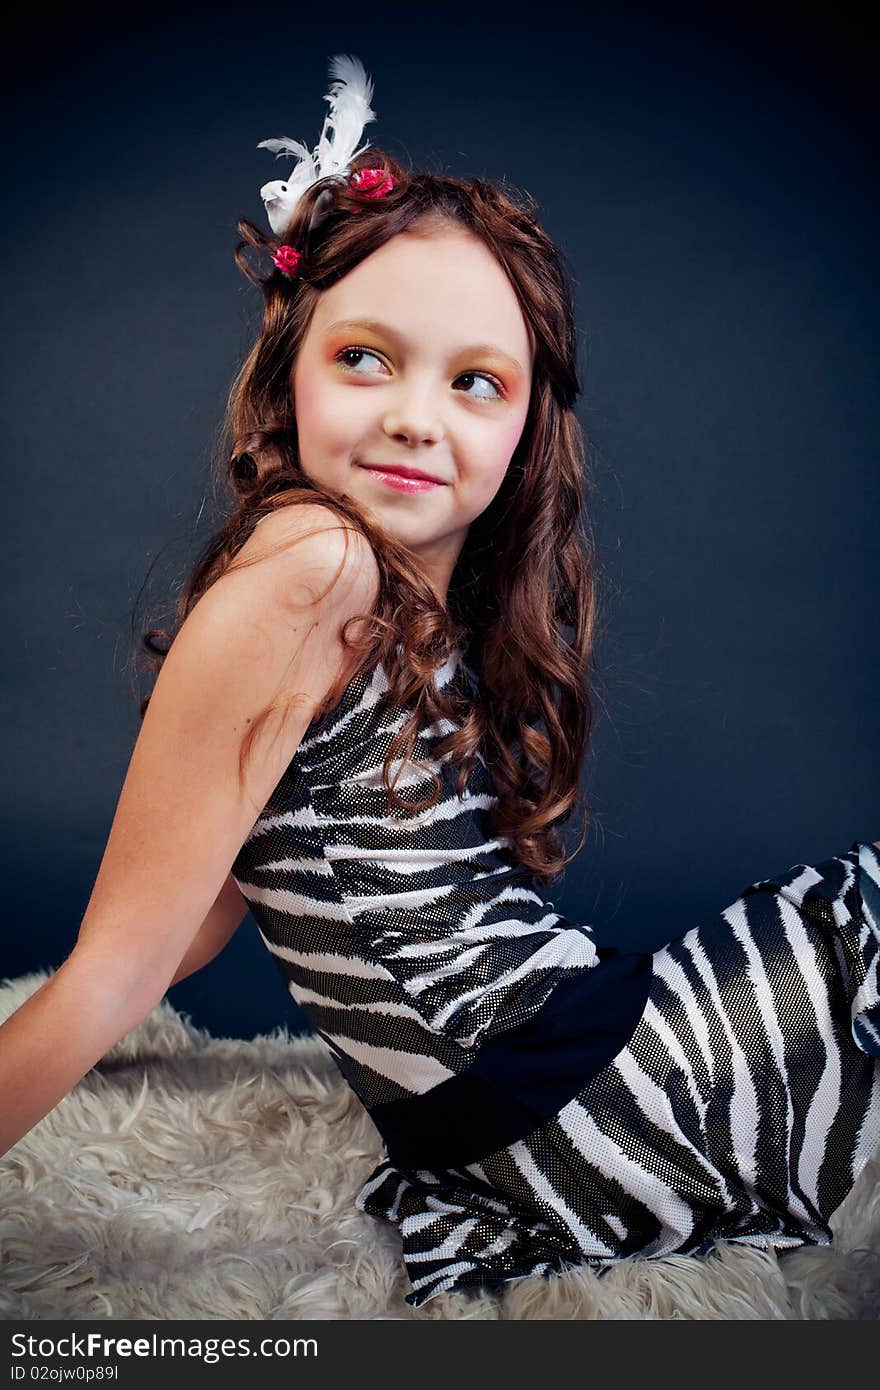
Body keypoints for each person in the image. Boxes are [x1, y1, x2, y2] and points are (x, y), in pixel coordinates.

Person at [1, 54, 879, 1312]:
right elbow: (115, 968)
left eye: (476, 380)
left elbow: (214, 894)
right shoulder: (314, 568)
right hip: (574, 1106)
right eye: (367, 357)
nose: (420, 416)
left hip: (552, 1079)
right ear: (288, 371)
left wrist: (145, 942)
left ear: (524, 430)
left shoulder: (384, 598)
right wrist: (90, 1002)